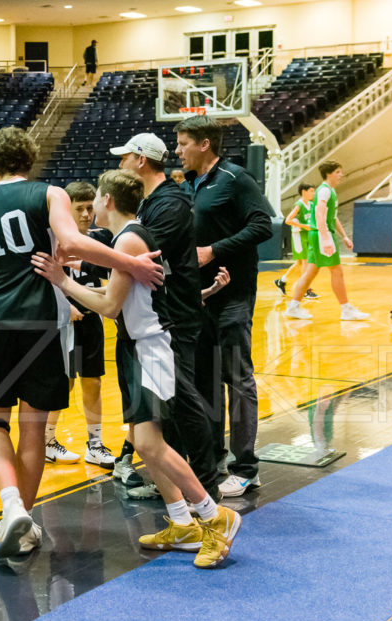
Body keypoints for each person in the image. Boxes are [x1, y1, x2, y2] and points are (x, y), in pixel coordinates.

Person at [0, 126, 163, 561]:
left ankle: (11, 506)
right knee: (33, 427)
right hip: (43, 319)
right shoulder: (49, 192)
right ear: (30, 160)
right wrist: (130, 262)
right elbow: (71, 243)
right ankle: (24, 518)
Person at [32, 169, 240, 568]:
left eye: (95, 199)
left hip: (151, 348)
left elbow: (108, 308)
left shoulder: (129, 237)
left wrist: (62, 282)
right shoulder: (125, 238)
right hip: (136, 346)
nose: (90, 206)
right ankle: (181, 522)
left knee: (149, 445)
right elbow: (114, 297)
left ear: (107, 200)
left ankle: (216, 516)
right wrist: (73, 281)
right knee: (147, 443)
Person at [112, 133, 224, 501]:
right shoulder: (152, 202)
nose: (120, 164)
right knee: (171, 405)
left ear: (141, 160)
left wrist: (80, 261)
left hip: (175, 319)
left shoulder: (170, 202)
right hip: (163, 318)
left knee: (185, 402)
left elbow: (142, 255)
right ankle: (177, 487)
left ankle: (206, 486)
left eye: (124, 157)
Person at [174, 115, 273, 498]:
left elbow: (262, 226)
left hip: (233, 296)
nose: (178, 150)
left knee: (237, 377)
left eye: (183, 143)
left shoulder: (235, 179)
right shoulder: (190, 184)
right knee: (205, 381)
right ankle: (211, 459)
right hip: (199, 299)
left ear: (204, 144)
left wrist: (214, 250)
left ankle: (246, 467)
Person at [41, 181, 115, 468]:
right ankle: (47, 440)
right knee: (64, 382)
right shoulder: (53, 239)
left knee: (93, 381)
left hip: (91, 316)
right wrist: (65, 304)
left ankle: (94, 444)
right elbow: (44, 277)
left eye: (88, 208)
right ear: (66, 210)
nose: (85, 214)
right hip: (62, 318)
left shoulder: (101, 238)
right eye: (79, 209)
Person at [285, 161, 370, 322]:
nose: (341, 175)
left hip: (317, 234)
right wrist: (325, 238)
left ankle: (293, 307)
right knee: (336, 271)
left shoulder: (329, 191)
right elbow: (319, 214)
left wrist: (344, 235)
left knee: (310, 272)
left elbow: (333, 216)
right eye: (338, 172)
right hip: (320, 234)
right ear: (329, 174)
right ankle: (346, 309)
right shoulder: (324, 191)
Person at [273, 183, 318, 299]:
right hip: (299, 236)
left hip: (307, 235)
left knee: (299, 263)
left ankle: (281, 281)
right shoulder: (299, 205)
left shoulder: (312, 205)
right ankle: (306, 289)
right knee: (305, 262)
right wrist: (303, 225)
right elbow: (288, 220)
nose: (313, 193)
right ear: (304, 192)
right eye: (311, 191)